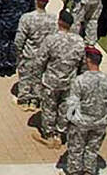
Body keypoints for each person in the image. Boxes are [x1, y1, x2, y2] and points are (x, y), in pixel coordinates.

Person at [61, 46, 107, 175]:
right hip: (99, 122)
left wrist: (67, 120)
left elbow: (72, 103)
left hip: (81, 122)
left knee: (76, 148)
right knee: (92, 149)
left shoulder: (80, 80)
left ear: (88, 60)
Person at [32, 9, 86, 147]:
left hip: (51, 82)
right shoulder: (79, 42)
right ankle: (60, 134)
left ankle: (49, 135)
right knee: (65, 108)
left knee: (49, 108)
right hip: (69, 82)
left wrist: (36, 80)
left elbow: (39, 61)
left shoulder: (51, 40)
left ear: (60, 22)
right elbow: (83, 65)